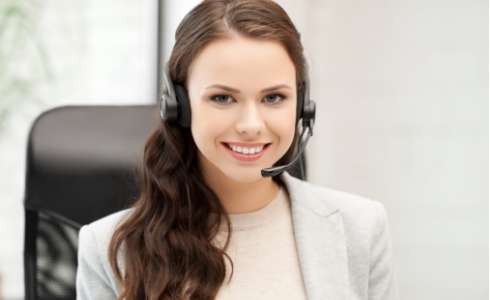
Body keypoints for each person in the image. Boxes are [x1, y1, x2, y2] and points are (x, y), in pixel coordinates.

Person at [75, 0, 399, 299]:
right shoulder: (108, 248)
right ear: (178, 106)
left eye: (273, 98)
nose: (251, 125)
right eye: (223, 98)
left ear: (302, 106)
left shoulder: (360, 228)